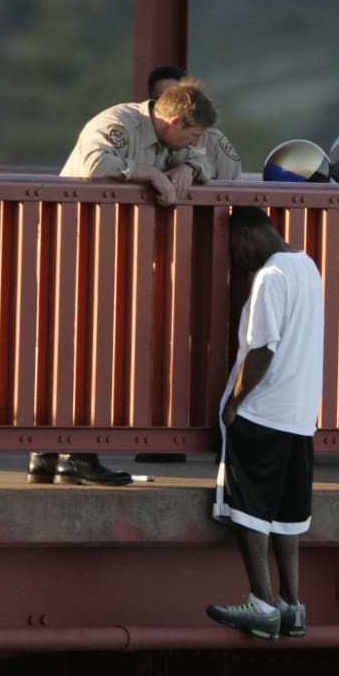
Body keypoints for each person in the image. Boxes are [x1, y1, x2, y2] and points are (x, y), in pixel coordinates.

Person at [27, 79, 218, 485]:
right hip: (72, 246)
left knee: (84, 351)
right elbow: (94, 164)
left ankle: (54, 455)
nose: (194, 141)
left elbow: (220, 162)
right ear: (173, 120)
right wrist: (145, 171)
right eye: (192, 134)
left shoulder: (178, 138)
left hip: (109, 255)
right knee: (81, 352)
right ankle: (75, 456)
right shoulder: (118, 123)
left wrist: (189, 166)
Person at [207, 206, 324, 640]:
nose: (235, 258)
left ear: (249, 235)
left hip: (263, 412)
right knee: (286, 516)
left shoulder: (270, 277)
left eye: (235, 247)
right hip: (298, 416)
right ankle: (291, 605)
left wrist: (235, 403)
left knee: (249, 508)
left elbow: (262, 349)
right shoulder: (307, 267)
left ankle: (260, 603)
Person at [134, 67, 241, 465]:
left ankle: (179, 435)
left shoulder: (208, 138)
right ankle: (151, 435)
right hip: (141, 258)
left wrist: (192, 168)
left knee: (188, 342)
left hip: (189, 256)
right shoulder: (133, 132)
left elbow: (229, 174)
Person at [147, 65, 241, 181]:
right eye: (162, 99)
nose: (170, 104)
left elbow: (231, 188)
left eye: (176, 98)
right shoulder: (140, 137)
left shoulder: (213, 141)